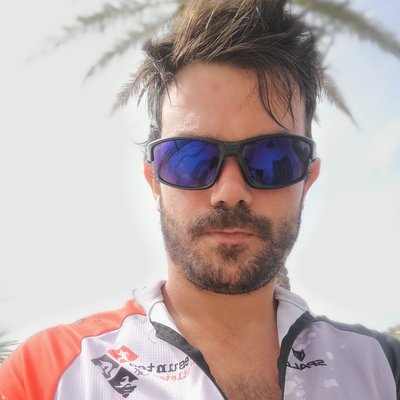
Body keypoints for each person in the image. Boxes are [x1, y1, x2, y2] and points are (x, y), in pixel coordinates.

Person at [1, 0, 399, 399]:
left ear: (307, 180)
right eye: (190, 159)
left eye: (272, 159)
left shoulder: (383, 368)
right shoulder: (45, 376)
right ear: (154, 182)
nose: (230, 192)